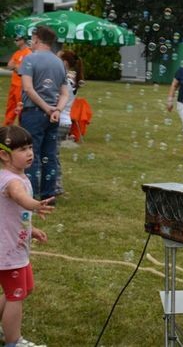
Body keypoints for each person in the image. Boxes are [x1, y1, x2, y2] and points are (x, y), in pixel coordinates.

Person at [0, 125, 55, 347]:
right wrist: (35, 205)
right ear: (4, 155)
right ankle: (13, 341)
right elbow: (20, 198)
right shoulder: (10, 181)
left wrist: (31, 230)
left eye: (30, 147)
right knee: (16, 295)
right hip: (7, 250)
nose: (30, 153)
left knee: (25, 288)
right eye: (22, 149)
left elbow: (12, 214)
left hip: (16, 246)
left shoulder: (18, 175)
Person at [18, 26, 69, 202]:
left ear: (37, 39)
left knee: (31, 154)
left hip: (33, 112)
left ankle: (30, 194)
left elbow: (28, 88)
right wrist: (57, 110)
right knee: (50, 154)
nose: (31, 42)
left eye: (32, 38)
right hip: (53, 116)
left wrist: (47, 108)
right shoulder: (59, 62)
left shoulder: (29, 59)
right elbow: (65, 93)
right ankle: (49, 194)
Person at [53, 50, 84, 196]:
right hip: (65, 122)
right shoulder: (73, 79)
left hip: (59, 121)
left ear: (64, 62)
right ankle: (56, 186)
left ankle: (56, 186)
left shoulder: (64, 79)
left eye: (57, 58)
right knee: (54, 155)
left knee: (52, 156)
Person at [3, 35, 31, 126]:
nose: (15, 41)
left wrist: (15, 66)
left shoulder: (28, 53)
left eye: (17, 39)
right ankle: (7, 128)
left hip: (21, 86)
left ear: (24, 40)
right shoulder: (17, 53)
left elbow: (22, 70)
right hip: (13, 84)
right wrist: (16, 66)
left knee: (20, 109)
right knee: (10, 107)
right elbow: (9, 65)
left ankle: (21, 129)